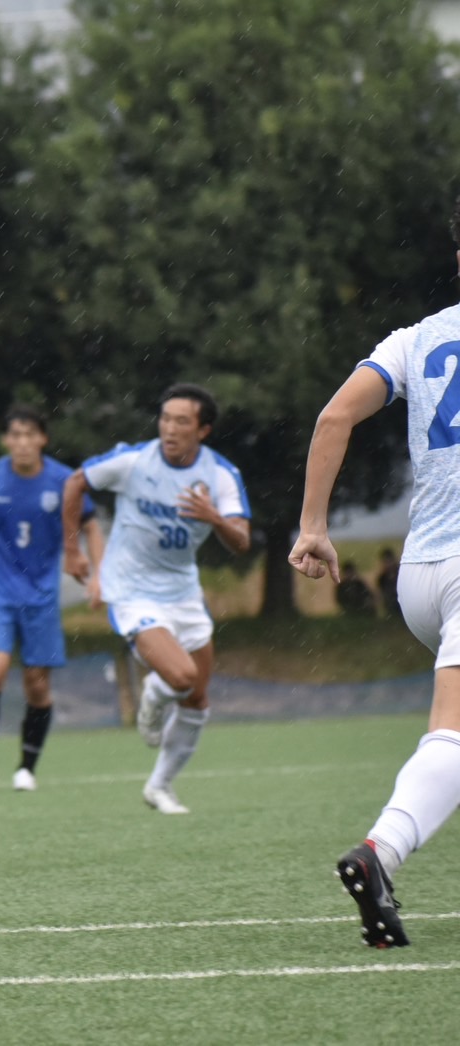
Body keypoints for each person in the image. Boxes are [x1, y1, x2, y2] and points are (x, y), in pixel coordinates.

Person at [289, 195, 460, 948]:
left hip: (420, 574)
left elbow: (334, 417)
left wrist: (313, 528)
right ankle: (379, 852)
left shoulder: (416, 338)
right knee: (453, 731)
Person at [63, 383, 251, 815]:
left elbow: (241, 541)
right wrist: (72, 550)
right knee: (181, 677)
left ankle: (159, 786)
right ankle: (151, 696)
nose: (169, 429)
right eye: (165, 419)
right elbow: (75, 483)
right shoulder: (133, 462)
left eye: (182, 421)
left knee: (197, 699)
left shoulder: (221, 475)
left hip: (183, 593)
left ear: (202, 430)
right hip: (131, 590)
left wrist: (214, 518)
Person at [0, 404, 104, 793]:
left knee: (37, 686)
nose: (22, 443)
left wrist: (99, 576)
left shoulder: (64, 480)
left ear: (42, 439)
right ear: (6, 440)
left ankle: (26, 768)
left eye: (29, 435)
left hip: (41, 597)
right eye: (15, 435)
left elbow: (91, 526)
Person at [377, 546, 401, 619]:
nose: (389, 564)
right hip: (390, 609)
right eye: (386, 562)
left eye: (390, 561)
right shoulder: (382, 578)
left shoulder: (401, 574)